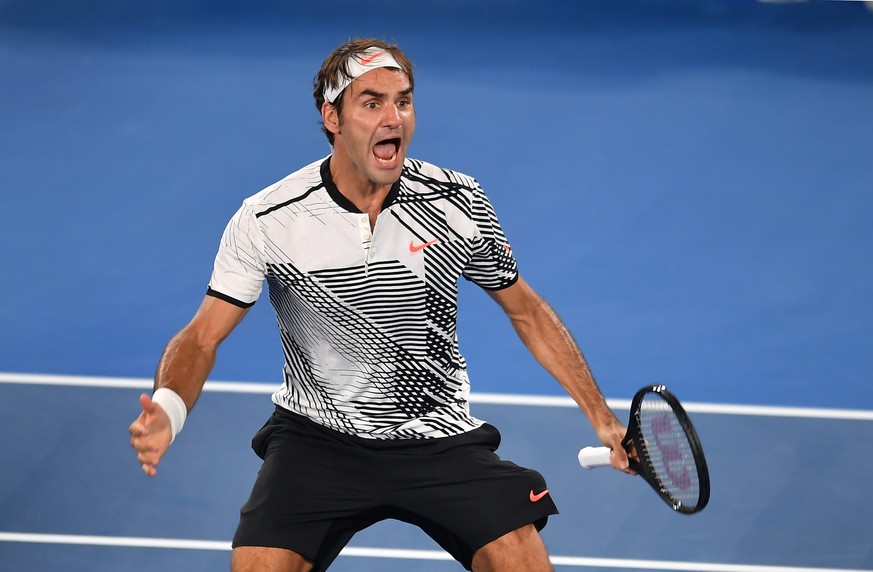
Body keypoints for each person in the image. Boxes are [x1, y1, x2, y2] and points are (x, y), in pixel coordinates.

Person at [129, 37, 631, 572]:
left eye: (404, 101)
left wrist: (601, 417)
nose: (394, 118)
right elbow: (203, 336)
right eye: (372, 103)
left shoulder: (455, 202)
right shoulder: (269, 219)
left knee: (522, 564)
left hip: (439, 436)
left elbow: (526, 310)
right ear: (333, 117)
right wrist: (169, 408)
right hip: (318, 439)